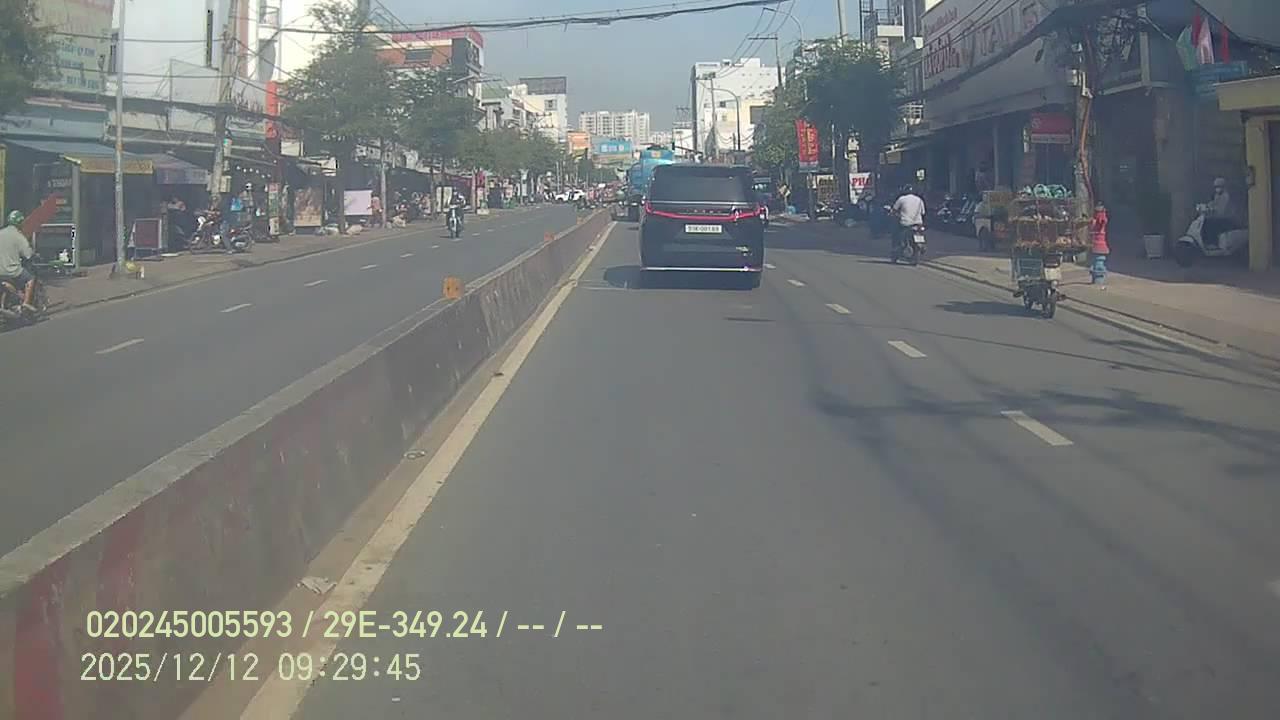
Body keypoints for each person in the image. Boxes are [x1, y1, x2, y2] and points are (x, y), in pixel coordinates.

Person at [0, 211, 37, 313]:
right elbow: (28, 254)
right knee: (30, 279)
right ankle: (26, 303)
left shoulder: (1, 233)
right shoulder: (18, 236)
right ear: (20, 223)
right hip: (12, 270)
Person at [1202, 177, 1237, 247]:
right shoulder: (1217, 195)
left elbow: (1221, 211)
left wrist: (1212, 210)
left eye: (1219, 186)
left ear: (1223, 187)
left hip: (1227, 219)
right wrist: (1206, 206)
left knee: (1211, 223)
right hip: (1219, 217)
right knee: (1205, 222)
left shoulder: (1226, 196)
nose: (1217, 189)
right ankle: (1207, 243)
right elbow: (1213, 203)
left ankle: (1214, 243)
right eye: (1216, 187)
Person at [891, 185, 927, 252]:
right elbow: (923, 213)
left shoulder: (901, 199)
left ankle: (897, 247)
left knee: (896, 232)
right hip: (918, 223)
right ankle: (921, 245)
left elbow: (894, 210)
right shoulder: (919, 200)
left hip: (905, 223)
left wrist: (895, 214)